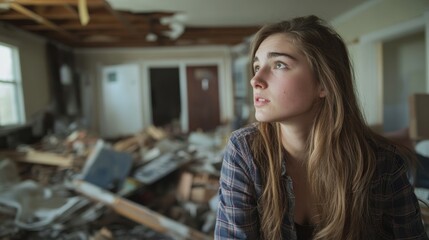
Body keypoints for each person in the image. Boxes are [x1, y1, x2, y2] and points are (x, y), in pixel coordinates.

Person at [214, 15, 428, 240]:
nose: (255, 79)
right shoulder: (245, 150)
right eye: (257, 66)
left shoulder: (382, 164)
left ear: (324, 83)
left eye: (279, 64)